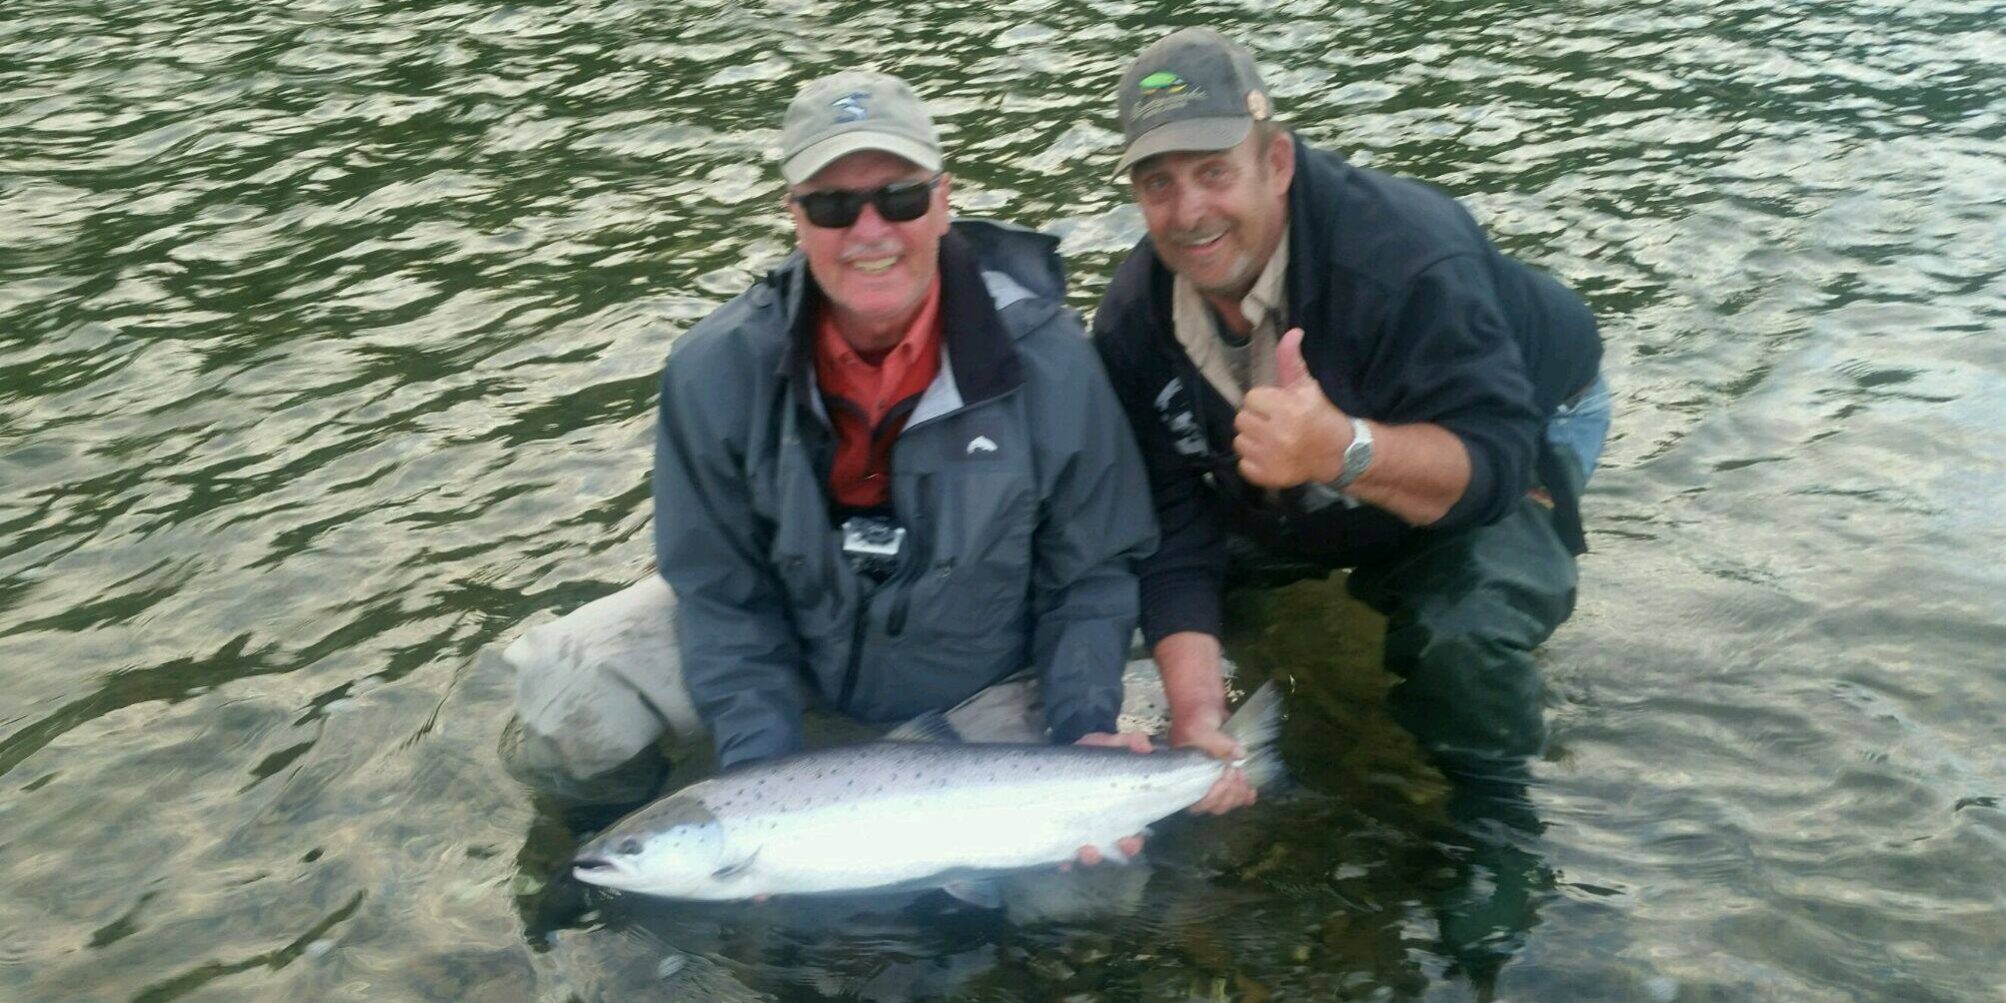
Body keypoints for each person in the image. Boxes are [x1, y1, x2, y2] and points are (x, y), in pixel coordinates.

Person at [503, 71, 1160, 862]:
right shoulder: (714, 369)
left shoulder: (1050, 362)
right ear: (795, 218)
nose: (869, 230)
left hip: (974, 684)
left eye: (901, 198)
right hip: (798, 650)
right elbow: (721, 592)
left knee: (1083, 890)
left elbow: (1090, 577)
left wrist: (1083, 724)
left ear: (944, 200)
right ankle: (587, 860)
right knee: (565, 682)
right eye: (833, 206)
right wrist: (757, 783)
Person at [1092, 29, 1610, 808]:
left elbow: (1497, 461)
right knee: (1168, 580)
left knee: (1460, 626)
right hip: (1318, 447)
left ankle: (1494, 814)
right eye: (1158, 182)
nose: (1189, 210)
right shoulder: (1134, 323)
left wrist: (1339, 451)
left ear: (1276, 163)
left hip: (1524, 414)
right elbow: (1172, 526)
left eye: (1213, 171)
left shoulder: (1404, 260)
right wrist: (1198, 716)